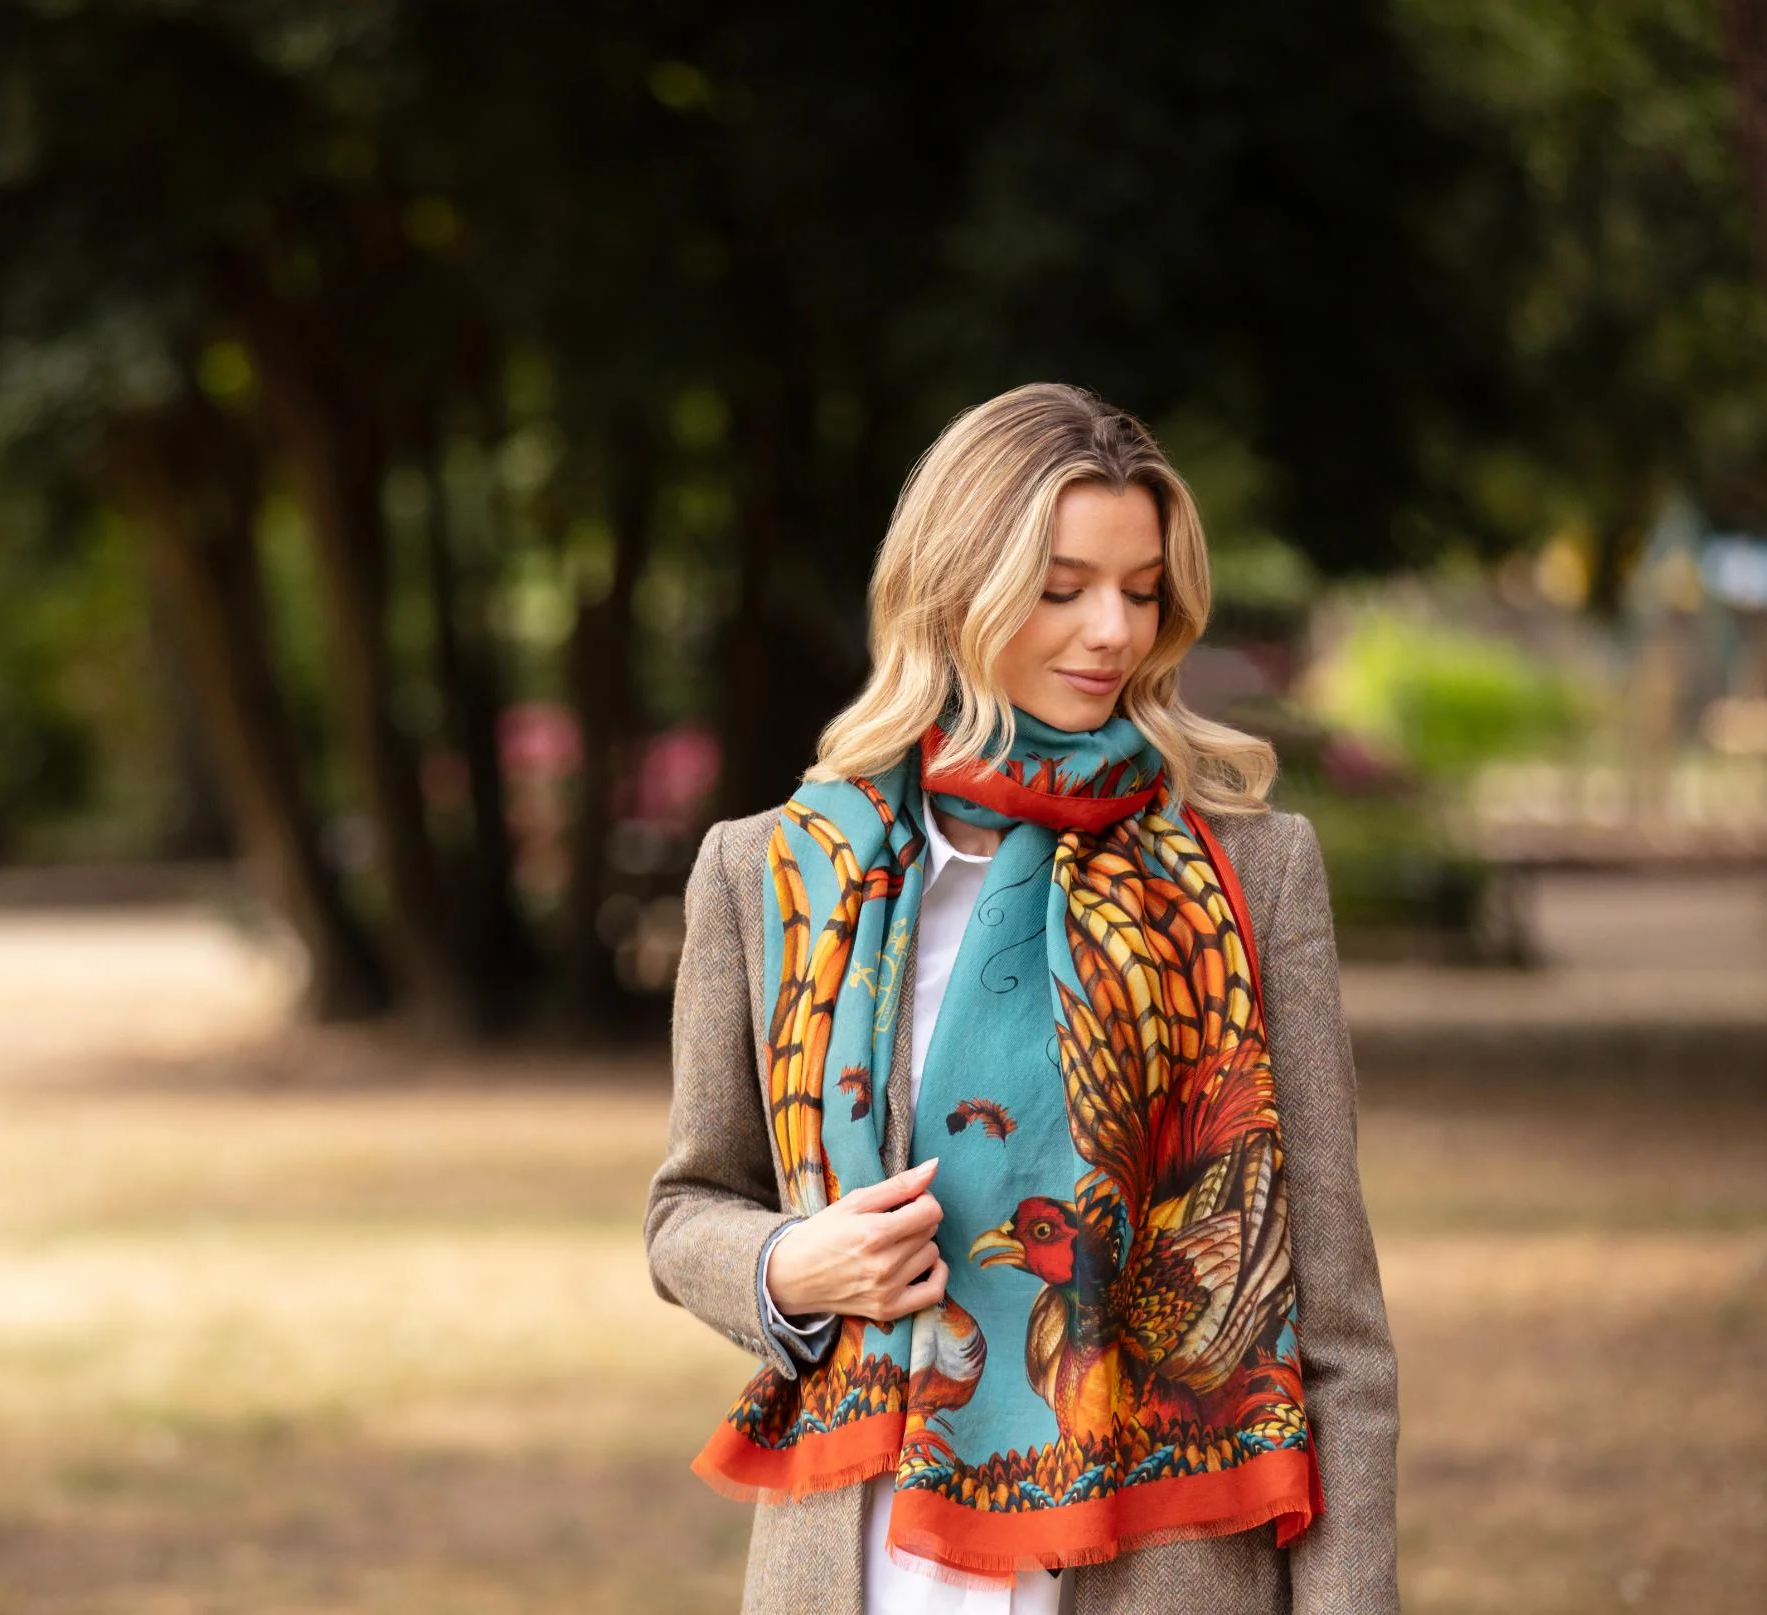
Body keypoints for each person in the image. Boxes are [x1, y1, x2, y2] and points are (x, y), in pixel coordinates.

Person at [644, 382, 1399, 1615]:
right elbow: (686, 1212)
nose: (1112, 629)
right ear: (956, 589)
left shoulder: (1254, 874)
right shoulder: (773, 874)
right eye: (1062, 588)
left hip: (1160, 1568)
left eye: (1142, 588)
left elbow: (1340, 1335)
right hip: (865, 1557)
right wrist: (795, 1264)